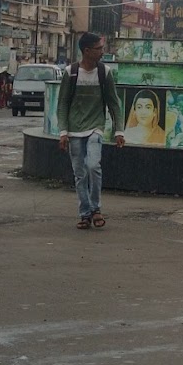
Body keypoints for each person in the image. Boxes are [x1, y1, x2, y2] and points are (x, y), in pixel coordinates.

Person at [57, 32, 124, 230]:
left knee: (93, 166)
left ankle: (96, 208)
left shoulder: (105, 72)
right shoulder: (71, 72)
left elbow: (114, 103)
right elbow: (63, 104)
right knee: (80, 173)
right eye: (99, 49)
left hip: (96, 127)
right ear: (87, 51)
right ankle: (85, 213)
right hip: (74, 130)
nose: (102, 52)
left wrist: (119, 131)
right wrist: (63, 132)